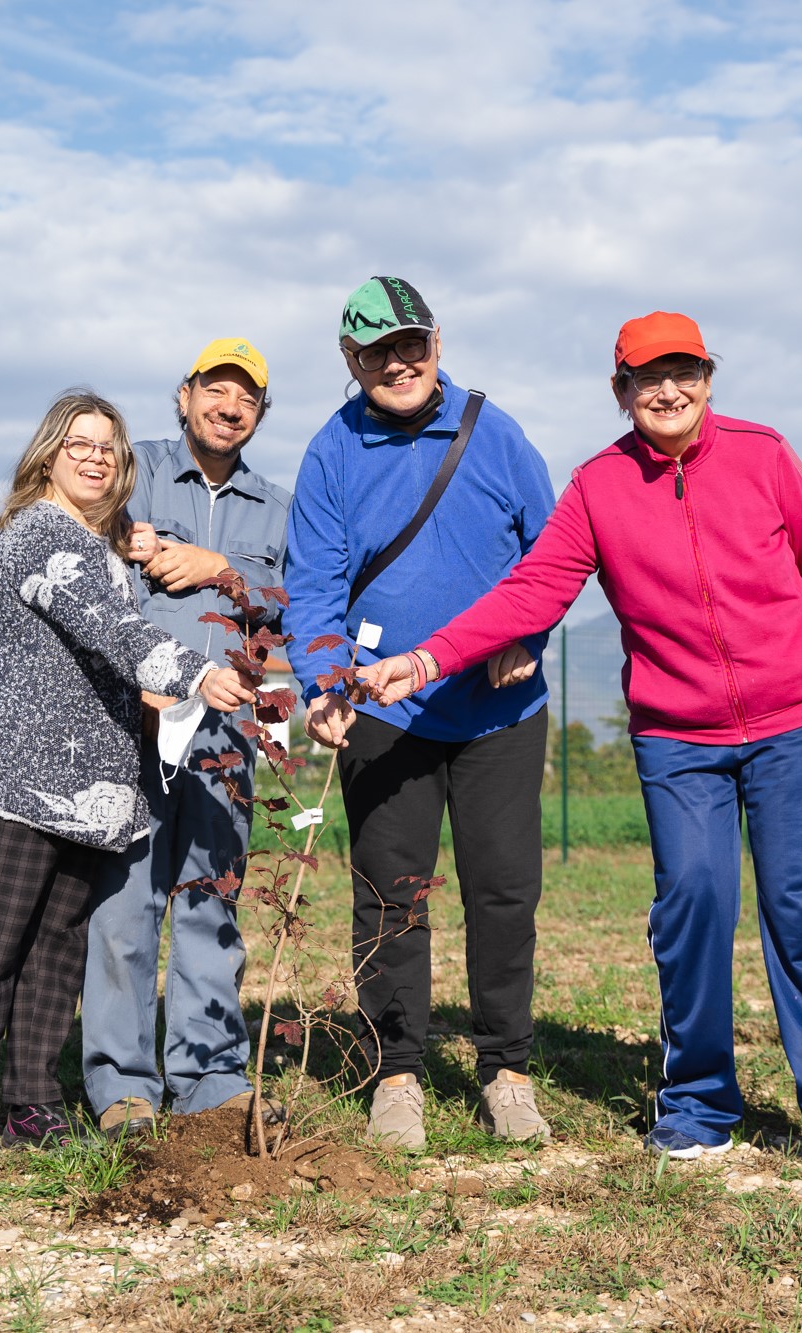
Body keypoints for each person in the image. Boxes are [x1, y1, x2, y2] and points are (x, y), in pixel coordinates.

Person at [363, 312, 802, 1178]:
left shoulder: (764, 455)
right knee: (690, 908)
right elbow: (532, 591)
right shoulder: (597, 487)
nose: (667, 390)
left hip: (797, 723)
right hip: (678, 736)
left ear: (708, 377)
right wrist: (429, 657)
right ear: (621, 392)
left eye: (683, 371)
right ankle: (697, 1102)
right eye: (647, 377)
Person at [0, 390, 255, 1154]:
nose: (96, 455)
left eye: (109, 446)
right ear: (48, 455)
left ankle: (33, 1101)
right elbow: (113, 630)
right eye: (80, 442)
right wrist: (198, 672)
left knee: (54, 950)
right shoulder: (39, 532)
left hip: (81, 791)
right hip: (12, 777)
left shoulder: (100, 548)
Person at [283, 277, 557, 1149]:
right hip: (381, 713)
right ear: (350, 360)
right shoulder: (331, 452)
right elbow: (315, 583)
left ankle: (505, 1068)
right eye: (377, 351)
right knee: (389, 895)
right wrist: (325, 682)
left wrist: (534, 635)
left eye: (413, 345)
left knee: (504, 890)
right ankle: (397, 1073)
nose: (399, 363)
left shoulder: (494, 432)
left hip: (497, 708)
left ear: (437, 343)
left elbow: (549, 553)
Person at [80, 339, 293, 1139]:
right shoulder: (129, 476)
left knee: (211, 903)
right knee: (124, 904)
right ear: (185, 394)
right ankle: (123, 1083)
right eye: (215, 389)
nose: (228, 406)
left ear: (259, 414)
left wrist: (224, 568)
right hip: (128, 726)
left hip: (225, 735)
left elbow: (299, 603)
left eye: (246, 397)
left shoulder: (277, 506)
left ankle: (208, 1074)